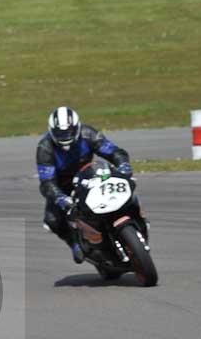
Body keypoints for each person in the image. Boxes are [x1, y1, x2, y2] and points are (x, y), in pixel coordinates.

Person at [37, 106, 133, 263]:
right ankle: (74, 243)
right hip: (64, 186)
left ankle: (135, 218)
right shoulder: (45, 148)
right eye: (60, 133)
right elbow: (47, 182)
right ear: (51, 131)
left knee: (125, 185)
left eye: (68, 132)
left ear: (77, 127)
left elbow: (114, 151)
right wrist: (61, 198)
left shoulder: (88, 134)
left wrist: (123, 165)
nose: (65, 137)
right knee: (52, 220)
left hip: (91, 175)